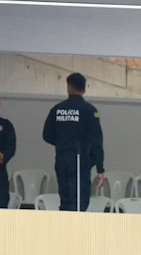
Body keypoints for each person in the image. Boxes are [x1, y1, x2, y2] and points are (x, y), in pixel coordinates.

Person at [43, 72, 105, 211]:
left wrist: (62, 142)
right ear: (84, 88)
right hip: (79, 159)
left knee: (65, 199)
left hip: (61, 158)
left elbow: (46, 135)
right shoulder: (89, 110)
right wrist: (100, 168)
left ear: (69, 87)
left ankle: (65, 230)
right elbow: (97, 140)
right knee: (79, 201)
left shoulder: (57, 109)